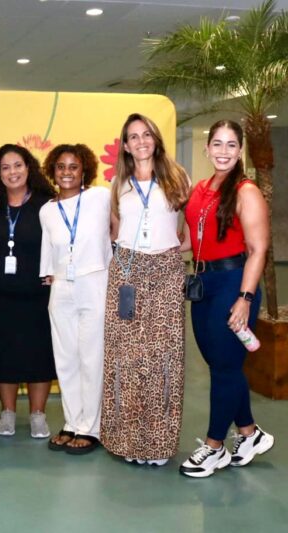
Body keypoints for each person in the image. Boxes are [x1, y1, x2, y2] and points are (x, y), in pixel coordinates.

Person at [179, 120, 274, 478]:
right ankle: (249, 433)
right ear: (206, 148)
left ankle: (215, 445)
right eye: (217, 144)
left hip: (234, 281)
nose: (223, 151)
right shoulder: (201, 188)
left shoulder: (246, 190)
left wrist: (245, 298)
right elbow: (191, 239)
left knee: (225, 367)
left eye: (231, 145)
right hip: (204, 282)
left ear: (240, 150)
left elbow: (258, 248)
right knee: (220, 361)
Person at [101, 113, 190, 466]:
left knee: (164, 356)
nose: (141, 141)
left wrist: (166, 252)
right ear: (125, 145)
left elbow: (184, 231)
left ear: (156, 139)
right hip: (127, 272)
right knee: (127, 357)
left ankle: (158, 444)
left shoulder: (176, 178)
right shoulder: (118, 184)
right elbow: (114, 230)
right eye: (133, 137)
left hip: (166, 272)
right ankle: (128, 442)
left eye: (146, 134)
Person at [0, 144, 56, 439]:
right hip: (0, 293)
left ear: (29, 168)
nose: (12, 172)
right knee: (4, 354)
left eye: (18, 165)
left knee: (40, 354)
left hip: (38, 293)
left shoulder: (46, 205)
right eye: (5, 167)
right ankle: (8, 413)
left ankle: (38, 414)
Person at [39, 144, 112, 454]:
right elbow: (48, 248)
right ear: (52, 171)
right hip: (61, 286)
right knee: (66, 358)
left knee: (91, 357)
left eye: (73, 166)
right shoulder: (47, 209)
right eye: (61, 166)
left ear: (85, 171)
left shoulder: (100, 197)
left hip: (95, 281)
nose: (66, 172)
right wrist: (47, 274)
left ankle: (91, 427)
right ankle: (72, 421)